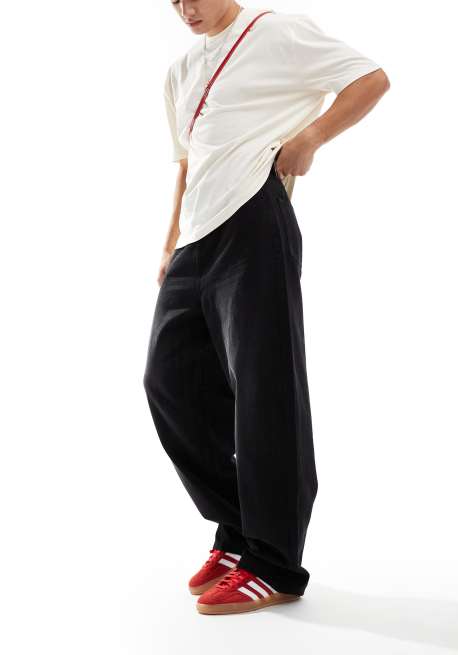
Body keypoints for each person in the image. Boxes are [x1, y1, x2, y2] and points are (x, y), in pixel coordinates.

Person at [143, 0, 390, 615]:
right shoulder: (179, 71)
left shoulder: (276, 31)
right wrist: (171, 241)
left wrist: (310, 138)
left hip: (254, 219)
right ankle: (237, 529)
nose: (185, 9)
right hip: (196, 237)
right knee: (169, 383)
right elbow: (187, 163)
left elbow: (370, 78)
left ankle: (274, 563)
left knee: (264, 388)